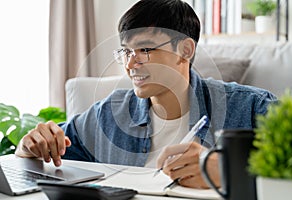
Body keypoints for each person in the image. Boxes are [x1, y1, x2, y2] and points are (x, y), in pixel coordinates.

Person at [15, 0, 277, 189]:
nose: (130, 64)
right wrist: (29, 147)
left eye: (145, 50)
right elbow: (49, 152)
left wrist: (229, 172)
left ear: (185, 50)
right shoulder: (108, 114)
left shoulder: (252, 106)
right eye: (126, 52)